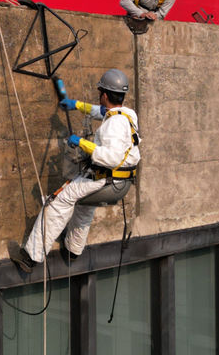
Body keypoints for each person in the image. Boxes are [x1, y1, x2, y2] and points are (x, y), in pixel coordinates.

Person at [15, 69, 141, 271]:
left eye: (100, 93)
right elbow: (104, 113)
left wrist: (81, 143)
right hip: (120, 181)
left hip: (106, 178)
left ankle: (30, 257)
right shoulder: (127, 115)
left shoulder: (114, 125)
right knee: (83, 206)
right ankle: (73, 251)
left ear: (105, 95)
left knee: (58, 201)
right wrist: (77, 106)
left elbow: (112, 157)